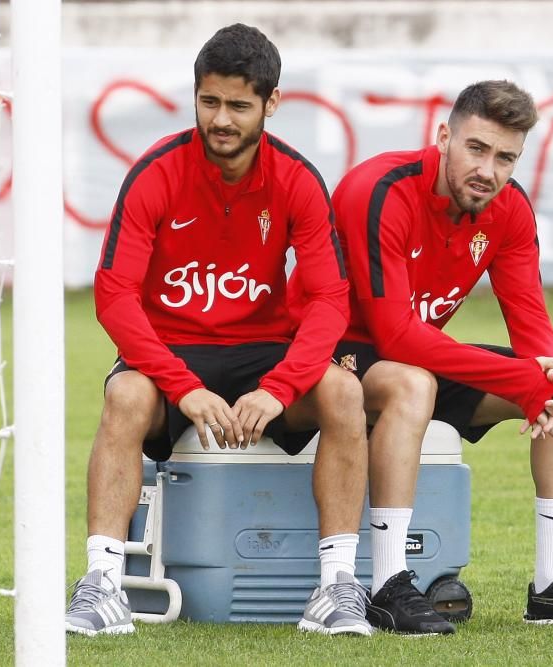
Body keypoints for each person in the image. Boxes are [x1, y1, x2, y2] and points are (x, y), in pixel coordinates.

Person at [291, 80, 553, 634]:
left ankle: (552, 585)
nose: (489, 170)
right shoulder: (378, 190)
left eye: (506, 158)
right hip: (331, 359)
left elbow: (530, 324)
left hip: (417, 358)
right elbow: (395, 334)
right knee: (413, 383)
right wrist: (519, 380)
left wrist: (540, 381)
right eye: (477, 149)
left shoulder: (510, 208)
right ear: (444, 136)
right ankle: (386, 584)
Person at [65, 24, 372, 637]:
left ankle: (337, 588)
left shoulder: (297, 180)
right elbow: (115, 296)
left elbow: (330, 300)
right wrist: (182, 387)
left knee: (344, 392)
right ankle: (101, 585)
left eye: (238, 105)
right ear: (196, 97)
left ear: (271, 103)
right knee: (123, 395)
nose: (221, 120)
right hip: (173, 352)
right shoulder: (155, 172)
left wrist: (280, 388)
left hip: (262, 354)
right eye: (210, 102)